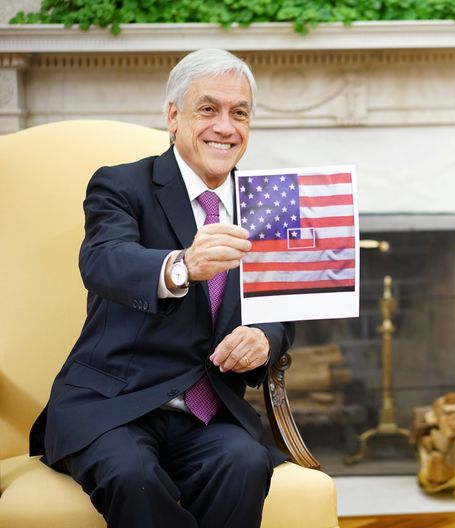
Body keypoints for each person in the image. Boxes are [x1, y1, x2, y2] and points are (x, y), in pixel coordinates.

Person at [29, 48, 293, 528]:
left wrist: (265, 338)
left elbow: (281, 306)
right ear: (173, 116)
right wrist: (182, 265)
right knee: (132, 475)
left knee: (246, 463)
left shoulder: (266, 199)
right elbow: (103, 261)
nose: (226, 126)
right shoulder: (121, 185)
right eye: (208, 109)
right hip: (114, 405)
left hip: (210, 411)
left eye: (240, 113)